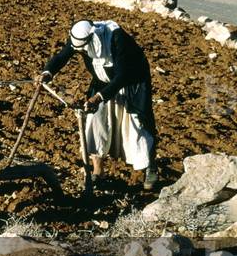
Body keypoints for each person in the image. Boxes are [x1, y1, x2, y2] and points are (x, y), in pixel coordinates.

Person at [39, 20, 158, 190]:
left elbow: (122, 75)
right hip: (103, 81)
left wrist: (99, 97)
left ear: (92, 39)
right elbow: (62, 56)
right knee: (96, 122)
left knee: (138, 124)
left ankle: (150, 167)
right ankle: (98, 171)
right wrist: (48, 72)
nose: (82, 52)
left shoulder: (117, 39)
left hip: (132, 81)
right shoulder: (79, 36)